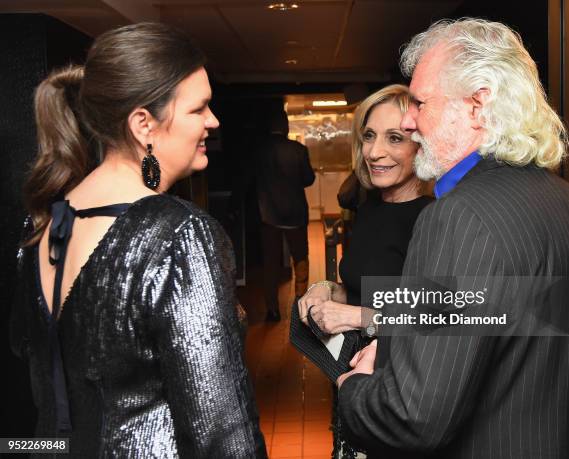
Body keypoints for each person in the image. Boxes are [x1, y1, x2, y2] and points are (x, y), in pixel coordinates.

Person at [336, 18, 569, 458]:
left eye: (420, 103)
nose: (409, 121)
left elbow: (414, 417)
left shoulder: (459, 217)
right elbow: (515, 343)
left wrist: (354, 388)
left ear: (478, 106)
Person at [10, 23, 266, 458]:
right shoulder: (179, 235)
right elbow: (222, 433)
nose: (213, 121)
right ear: (143, 123)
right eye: (199, 108)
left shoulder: (44, 223)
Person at [298, 84, 433, 458]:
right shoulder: (371, 207)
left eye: (395, 138)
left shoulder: (431, 220)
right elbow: (365, 286)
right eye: (369, 136)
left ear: (421, 145)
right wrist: (326, 289)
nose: (375, 152)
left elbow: (437, 322)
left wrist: (355, 317)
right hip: (356, 385)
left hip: (398, 397)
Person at [254, 108, 315, 321]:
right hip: (295, 213)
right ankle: (300, 305)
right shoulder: (298, 149)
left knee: (270, 263)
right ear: (286, 126)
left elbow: (249, 181)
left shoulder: (259, 151)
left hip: (268, 215)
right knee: (300, 258)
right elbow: (309, 179)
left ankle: (272, 310)